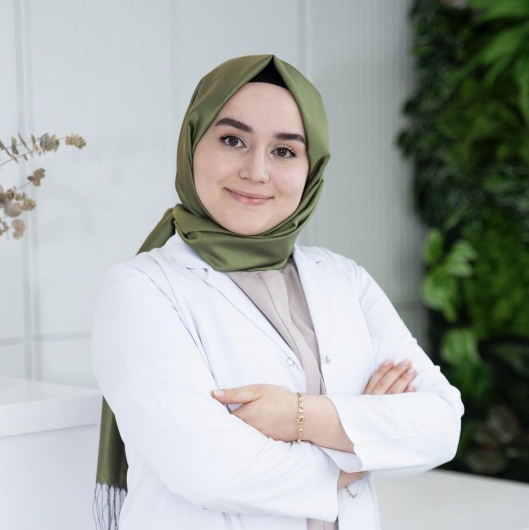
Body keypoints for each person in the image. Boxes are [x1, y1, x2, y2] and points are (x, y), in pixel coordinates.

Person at [92, 54, 463, 530]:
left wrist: (298, 416)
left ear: (312, 168)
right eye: (233, 140)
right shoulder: (139, 288)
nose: (256, 171)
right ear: (192, 144)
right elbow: (209, 469)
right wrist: (363, 447)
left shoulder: (343, 278)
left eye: (284, 151)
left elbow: (441, 424)